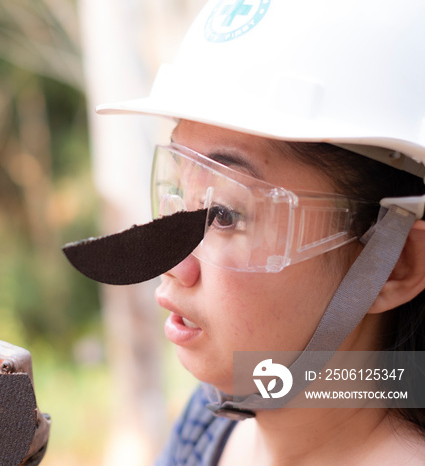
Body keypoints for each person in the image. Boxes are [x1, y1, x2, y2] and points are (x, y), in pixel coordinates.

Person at [64, 0, 425, 464]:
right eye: (176, 189)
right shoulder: (207, 426)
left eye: (225, 214)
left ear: (397, 263)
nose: (173, 266)